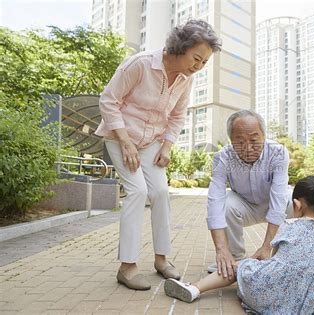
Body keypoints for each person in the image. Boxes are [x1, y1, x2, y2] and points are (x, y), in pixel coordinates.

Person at [95, 20, 221, 290]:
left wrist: (166, 147)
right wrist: (126, 142)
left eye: (204, 62)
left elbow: (177, 115)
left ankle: (162, 259)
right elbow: (108, 100)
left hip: (151, 140)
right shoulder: (139, 64)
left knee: (161, 193)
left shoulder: (186, 79)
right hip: (121, 136)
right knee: (138, 192)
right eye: (196, 58)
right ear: (180, 47)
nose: (199, 66)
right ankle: (127, 267)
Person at [164, 176, 314, 315]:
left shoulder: (289, 226)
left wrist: (250, 261)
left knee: (242, 266)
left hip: (266, 295)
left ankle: (194, 288)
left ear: (296, 205)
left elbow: (273, 261)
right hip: (305, 306)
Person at [205, 110, 293, 278]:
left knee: (294, 199)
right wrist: (221, 249)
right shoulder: (222, 158)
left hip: (275, 204)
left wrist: (267, 246)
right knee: (225, 203)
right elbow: (215, 200)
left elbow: (279, 197)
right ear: (231, 140)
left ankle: (281, 257)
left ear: (264, 136)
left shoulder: (278, 153)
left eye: (254, 140)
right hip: (245, 206)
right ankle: (232, 259)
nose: (248, 148)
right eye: (240, 141)